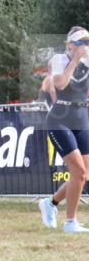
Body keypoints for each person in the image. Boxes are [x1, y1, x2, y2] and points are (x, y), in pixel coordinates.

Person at [38, 27, 89, 233]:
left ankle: (50, 204)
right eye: (81, 43)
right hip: (60, 119)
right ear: (70, 44)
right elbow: (60, 84)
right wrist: (75, 60)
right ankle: (70, 222)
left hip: (81, 118)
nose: (85, 47)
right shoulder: (58, 59)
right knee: (78, 172)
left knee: (84, 175)